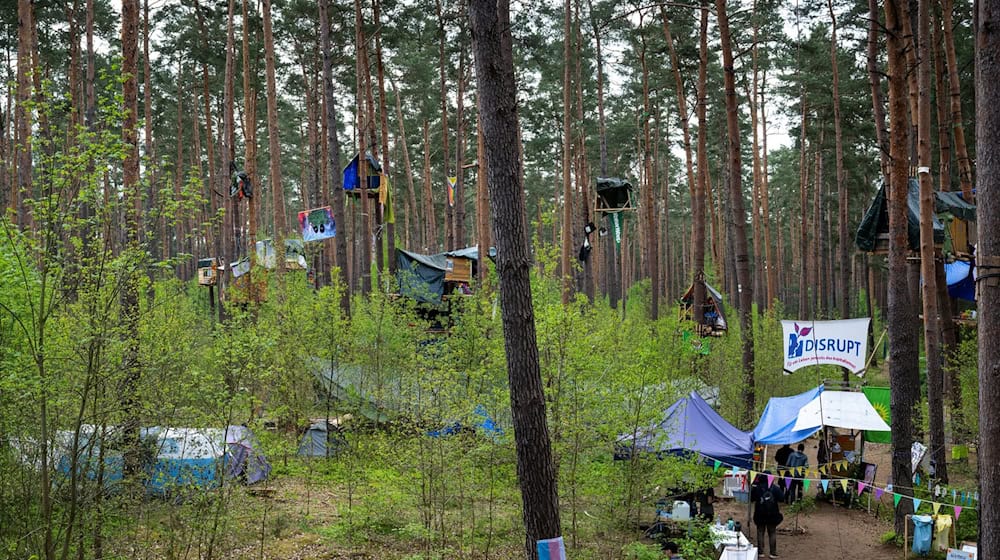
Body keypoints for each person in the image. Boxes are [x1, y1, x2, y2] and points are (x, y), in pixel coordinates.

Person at [751, 472, 785, 559]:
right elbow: (782, 498)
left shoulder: (757, 488)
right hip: (772, 514)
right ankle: (773, 553)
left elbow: (751, 498)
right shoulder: (775, 488)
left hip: (759, 513)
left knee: (760, 532)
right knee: (772, 532)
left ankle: (760, 552)